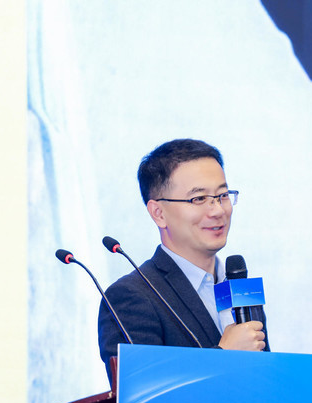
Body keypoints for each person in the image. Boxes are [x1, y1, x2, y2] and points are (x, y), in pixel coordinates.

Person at [98, 139, 266, 376]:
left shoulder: (239, 285)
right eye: (199, 199)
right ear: (158, 213)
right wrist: (224, 355)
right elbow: (144, 393)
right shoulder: (130, 297)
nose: (218, 210)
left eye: (222, 195)